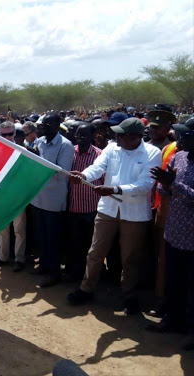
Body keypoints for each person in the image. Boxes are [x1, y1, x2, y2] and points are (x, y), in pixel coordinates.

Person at [67, 118, 161, 314]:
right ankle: (86, 288)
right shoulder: (112, 148)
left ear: (134, 137)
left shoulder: (152, 153)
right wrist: (84, 176)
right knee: (96, 252)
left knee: (131, 257)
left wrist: (116, 189)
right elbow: (97, 167)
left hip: (134, 213)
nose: (115, 137)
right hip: (108, 209)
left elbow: (145, 185)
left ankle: (129, 295)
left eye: (120, 134)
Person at [148, 117, 194, 350]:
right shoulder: (179, 157)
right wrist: (164, 184)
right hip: (174, 230)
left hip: (191, 236)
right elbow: (163, 189)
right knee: (174, 280)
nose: (181, 138)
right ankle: (171, 319)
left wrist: (173, 184)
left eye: (186, 134)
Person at [31, 112, 75, 287]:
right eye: (42, 125)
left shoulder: (65, 145)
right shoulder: (40, 142)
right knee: (41, 236)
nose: (43, 128)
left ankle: (54, 272)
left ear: (57, 126)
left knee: (53, 238)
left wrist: (36, 163)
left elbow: (60, 172)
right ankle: (44, 265)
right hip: (38, 197)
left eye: (48, 126)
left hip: (54, 200)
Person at [64, 123, 103, 281]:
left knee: (89, 244)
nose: (80, 138)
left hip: (91, 208)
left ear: (93, 136)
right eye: (78, 134)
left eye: (84, 135)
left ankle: (89, 276)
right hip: (73, 207)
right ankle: (74, 273)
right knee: (74, 243)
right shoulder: (70, 152)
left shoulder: (99, 155)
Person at [0, 122, 28, 272]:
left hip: (18, 197)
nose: (7, 137)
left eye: (9, 134)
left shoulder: (23, 151)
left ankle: (19, 259)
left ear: (14, 133)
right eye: (3, 134)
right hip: (1, 197)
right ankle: (3, 257)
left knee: (19, 230)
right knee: (2, 229)